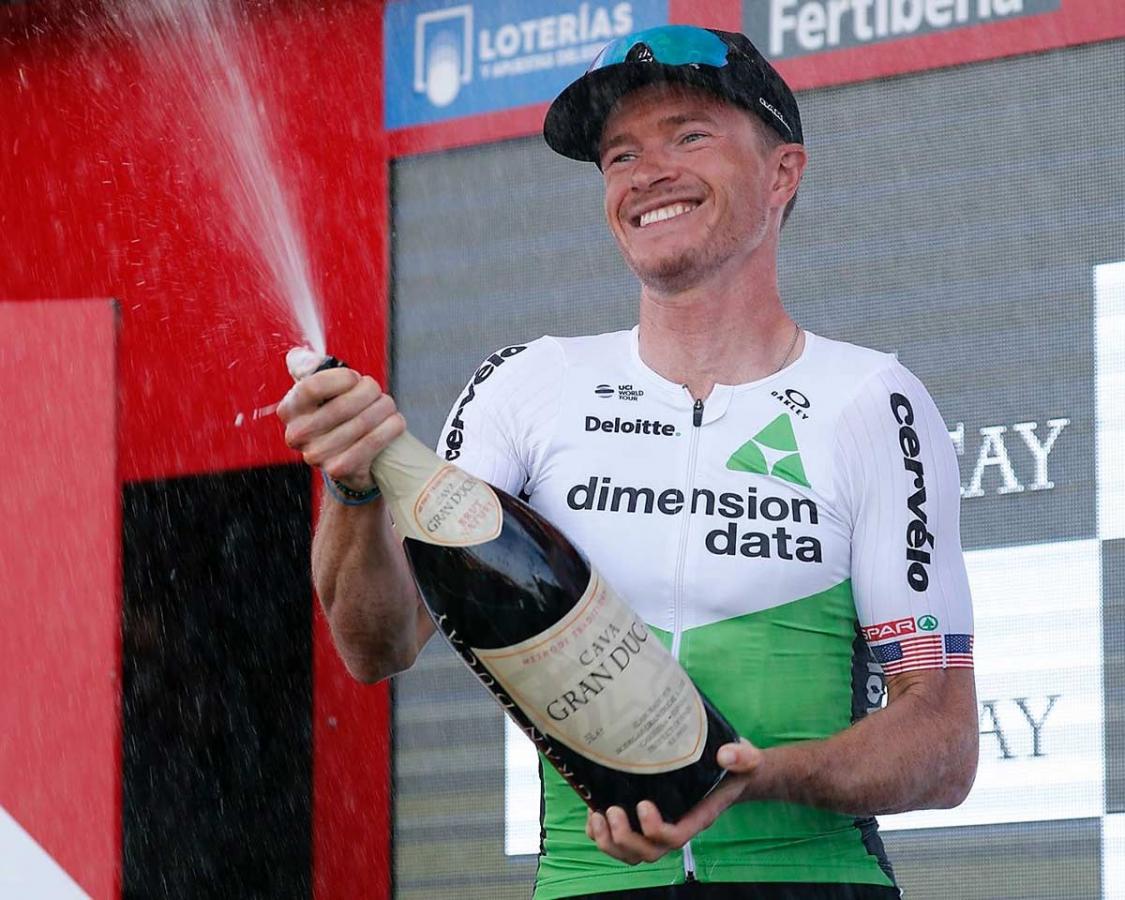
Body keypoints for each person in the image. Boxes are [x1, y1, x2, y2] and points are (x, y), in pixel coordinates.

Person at [278, 25, 978, 900]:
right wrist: (353, 490)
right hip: (588, 884)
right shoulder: (524, 385)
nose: (647, 173)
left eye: (689, 135)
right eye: (619, 155)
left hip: (811, 881)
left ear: (782, 174)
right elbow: (376, 645)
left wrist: (749, 777)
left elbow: (942, 746)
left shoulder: (872, 399)